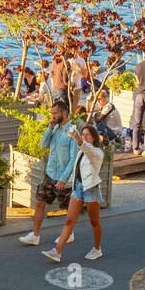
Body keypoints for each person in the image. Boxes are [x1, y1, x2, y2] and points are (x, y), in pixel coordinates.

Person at [17, 100, 79, 248]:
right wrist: (50, 128)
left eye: (55, 113)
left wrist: (64, 179)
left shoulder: (72, 132)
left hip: (64, 178)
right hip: (50, 174)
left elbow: (73, 159)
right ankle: (35, 235)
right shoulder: (54, 129)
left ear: (64, 113)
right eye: (52, 113)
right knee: (39, 202)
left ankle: (69, 234)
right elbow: (43, 144)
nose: (53, 116)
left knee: (67, 208)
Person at [42, 122, 106, 263]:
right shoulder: (81, 150)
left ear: (94, 137)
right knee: (69, 220)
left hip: (91, 189)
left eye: (87, 135)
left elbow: (88, 148)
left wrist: (78, 138)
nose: (85, 137)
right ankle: (57, 251)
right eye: (83, 134)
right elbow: (76, 166)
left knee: (94, 222)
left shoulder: (97, 152)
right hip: (78, 188)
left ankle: (97, 248)